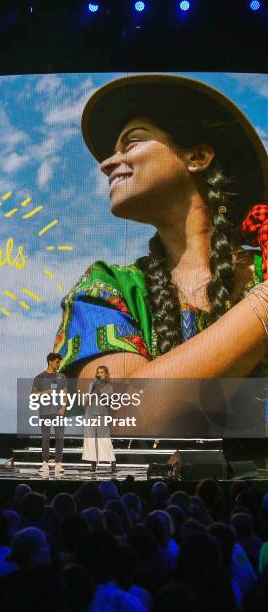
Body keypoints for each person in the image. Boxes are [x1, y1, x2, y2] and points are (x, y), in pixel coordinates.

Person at [53, 74, 268, 437]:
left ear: (197, 157)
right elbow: (122, 418)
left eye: (132, 141)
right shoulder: (107, 287)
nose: (108, 163)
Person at [31, 352, 67, 476]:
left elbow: (64, 393)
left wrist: (63, 408)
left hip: (58, 412)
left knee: (59, 438)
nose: (59, 364)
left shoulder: (61, 376)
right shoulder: (39, 377)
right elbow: (33, 395)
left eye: (60, 362)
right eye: (57, 362)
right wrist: (46, 392)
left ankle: (58, 464)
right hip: (45, 412)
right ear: (50, 361)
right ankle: (45, 463)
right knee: (45, 438)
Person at [83, 365, 116, 472]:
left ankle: (112, 461)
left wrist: (101, 393)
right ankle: (93, 463)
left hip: (102, 412)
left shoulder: (109, 386)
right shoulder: (92, 384)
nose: (99, 374)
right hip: (90, 412)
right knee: (90, 437)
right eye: (98, 372)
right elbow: (87, 399)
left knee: (104, 437)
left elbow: (109, 402)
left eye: (102, 372)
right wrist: (93, 388)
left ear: (106, 374)